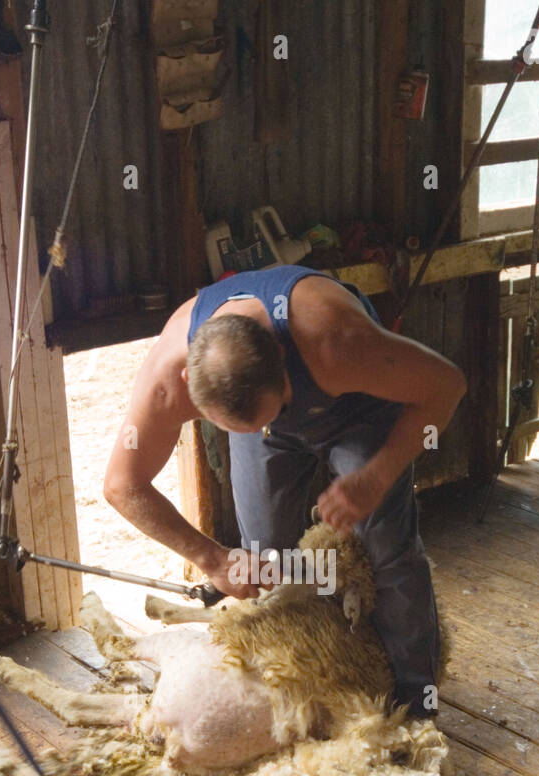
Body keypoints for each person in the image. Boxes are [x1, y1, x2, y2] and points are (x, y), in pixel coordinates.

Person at [104, 265, 466, 715]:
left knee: (386, 548)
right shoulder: (167, 377)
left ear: (279, 353)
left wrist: (375, 476)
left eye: (267, 413)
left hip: (354, 406)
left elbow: (447, 385)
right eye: (243, 425)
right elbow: (122, 485)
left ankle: (415, 702)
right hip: (262, 409)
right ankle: (303, 684)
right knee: (262, 559)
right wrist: (212, 558)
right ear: (190, 391)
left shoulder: (337, 338)